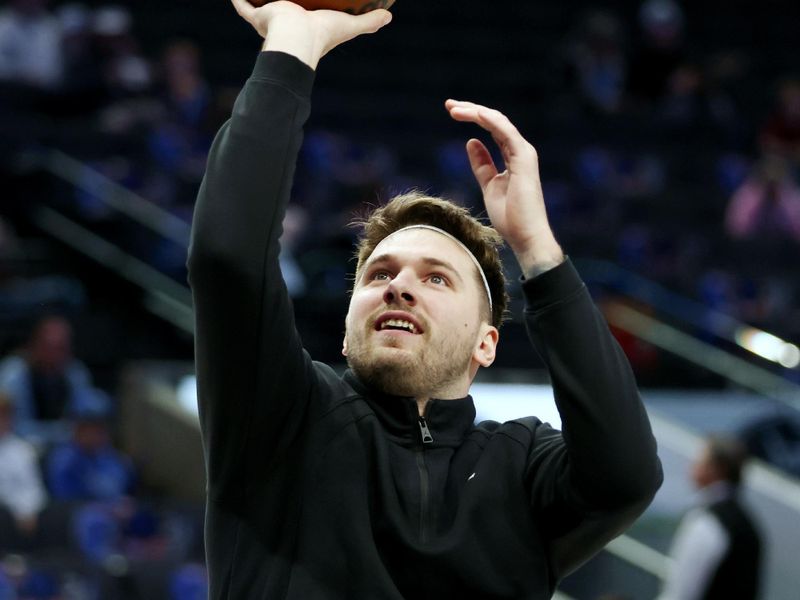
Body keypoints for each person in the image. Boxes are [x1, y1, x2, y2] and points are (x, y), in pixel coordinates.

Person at [188, 2, 663, 598]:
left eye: (437, 278)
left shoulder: (521, 466)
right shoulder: (283, 416)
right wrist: (292, 46)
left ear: (486, 342)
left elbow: (627, 476)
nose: (399, 284)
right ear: (346, 327)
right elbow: (228, 257)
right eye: (379, 273)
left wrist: (537, 248)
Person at [659, 435, 762, 600]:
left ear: (717, 468)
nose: (692, 466)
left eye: (700, 460)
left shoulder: (709, 522)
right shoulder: (749, 526)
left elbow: (682, 592)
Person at [0, 391, 48, 550]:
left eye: (5, 416)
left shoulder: (22, 450)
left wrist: (26, 511)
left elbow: (34, 489)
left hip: (21, 521)